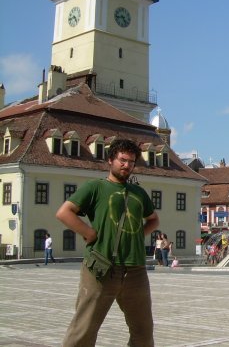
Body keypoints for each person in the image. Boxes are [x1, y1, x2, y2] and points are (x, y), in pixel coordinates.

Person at [55, 138, 159, 347]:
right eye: (122, 160)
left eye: (131, 162)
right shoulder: (96, 187)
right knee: (83, 330)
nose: (126, 165)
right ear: (110, 160)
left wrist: (139, 235)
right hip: (102, 267)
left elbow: (153, 219)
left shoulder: (139, 193)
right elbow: (64, 212)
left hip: (135, 270)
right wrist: (88, 233)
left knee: (143, 332)